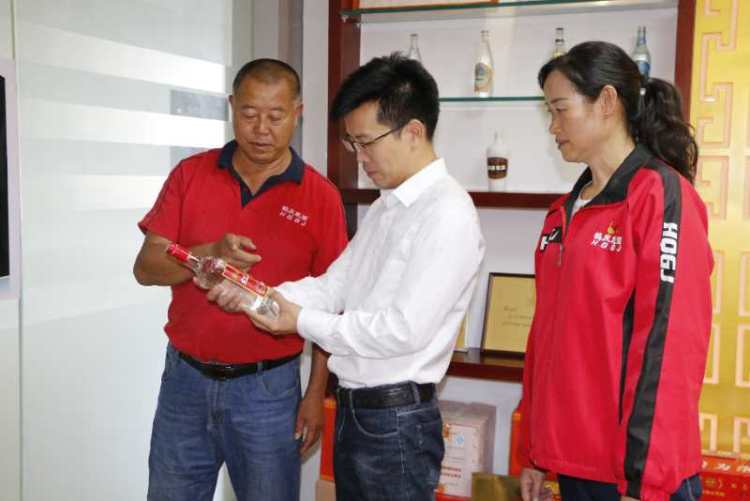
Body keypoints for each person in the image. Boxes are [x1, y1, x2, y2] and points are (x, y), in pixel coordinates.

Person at [205, 53, 485, 501]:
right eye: (353, 143)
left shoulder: (447, 213)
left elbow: (403, 330)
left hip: (396, 420)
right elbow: (333, 286)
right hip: (359, 412)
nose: (360, 157)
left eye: (367, 142)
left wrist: (298, 320)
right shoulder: (387, 206)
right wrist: (256, 294)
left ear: (413, 132)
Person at [133, 58, 348, 501]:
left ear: (298, 113)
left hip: (268, 390)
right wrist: (209, 254)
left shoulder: (320, 197)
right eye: (249, 114)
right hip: (185, 380)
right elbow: (147, 267)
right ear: (232, 107)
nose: (261, 129)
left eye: (276, 116)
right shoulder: (191, 175)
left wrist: (316, 394)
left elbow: (333, 304)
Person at [519, 41, 712, 501]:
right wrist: (533, 451)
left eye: (560, 110)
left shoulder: (660, 196)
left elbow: (669, 345)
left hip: (638, 474)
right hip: (575, 462)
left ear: (606, 101)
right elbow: (546, 339)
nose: (553, 127)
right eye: (549, 112)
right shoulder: (562, 213)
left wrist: (643, 478)